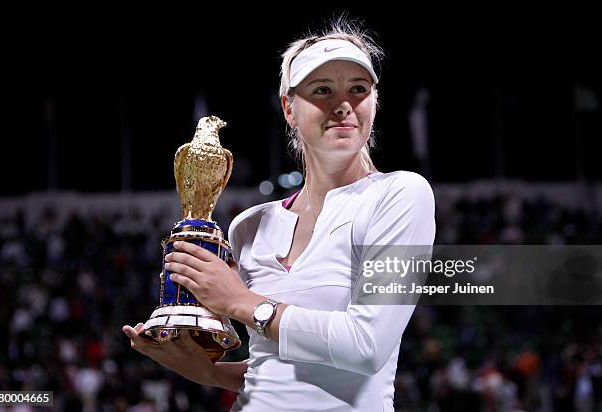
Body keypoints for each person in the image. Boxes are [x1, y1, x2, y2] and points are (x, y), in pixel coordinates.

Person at [123, 18, 436, 411]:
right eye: (322, 90)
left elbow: (366, 346)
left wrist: (242, 302)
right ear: (289, 107)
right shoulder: (249, 226)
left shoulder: (401, 194)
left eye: (358, 89)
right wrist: (210, 372)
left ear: (375, 101)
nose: (343, 105)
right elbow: (280, 363)